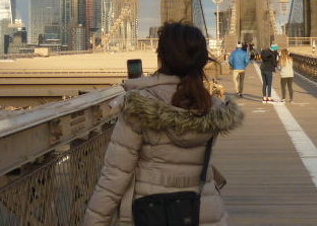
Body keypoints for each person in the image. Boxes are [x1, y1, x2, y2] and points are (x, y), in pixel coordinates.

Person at [83, 22, 243, 226]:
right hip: (202, 212)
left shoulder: (140, 106)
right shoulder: (211, 107)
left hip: (151, 213)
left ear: (162, 57)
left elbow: (115, 176)